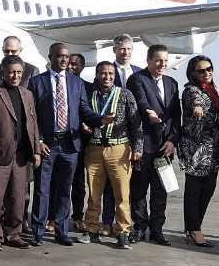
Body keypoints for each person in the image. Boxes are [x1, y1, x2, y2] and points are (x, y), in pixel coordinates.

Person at [28, 43, 106, 246]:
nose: (64, 60)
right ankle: (38, 230)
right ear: (50, 56)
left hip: (70, 144)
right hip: (47, 144)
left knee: (65, 189)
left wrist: (100, 119)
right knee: (42, 189)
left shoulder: (76, 82)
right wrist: (39, 141)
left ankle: (61, 231)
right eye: (60, 56)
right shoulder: (37, 82)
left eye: (66, 57)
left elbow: (84, 110)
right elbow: (31, 116)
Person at [0, 56, 42, 250]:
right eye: (11, 72)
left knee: (17, 198)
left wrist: (37, 150)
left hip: (22, 155)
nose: (15, 76)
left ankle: (13, 233)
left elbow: (33, 124)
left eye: (18, 72)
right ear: (3, 73)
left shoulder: (27, 94)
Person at [82, 61, 142, 249]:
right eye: (103, 73)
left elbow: (135, 123)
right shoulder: (88, 94)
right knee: (93, 193)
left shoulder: (124, 94)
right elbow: (81, 116)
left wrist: (138, 148)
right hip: (95, 148)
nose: (107, 77)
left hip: (119, 149)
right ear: (97, 74)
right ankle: (91, 229)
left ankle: (122, 230)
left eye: (110, 74)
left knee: (122, 193)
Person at [127, 44, 181, 245]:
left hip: (164, 147)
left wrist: (172, 141)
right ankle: (140, 227)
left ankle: (157, 230)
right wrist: (148, 111)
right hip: (144, 145)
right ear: (149, 60)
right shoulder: (137, 79)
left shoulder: (172, 83)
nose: (162, 64)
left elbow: (177, 116)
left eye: (165, 61)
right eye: (158, 60)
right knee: (139, 190)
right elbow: (140, 101)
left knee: (161, 190)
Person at [177, 56, 219, 248]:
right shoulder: (191, 90)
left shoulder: (212, 90)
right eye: (201, 71)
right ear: (192, 74)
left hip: (212, 148)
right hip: (196, 149)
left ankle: (194, 226)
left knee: (208, 189)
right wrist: (197, 107)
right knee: (194, 191)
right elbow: (195, 102)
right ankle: (194, 229)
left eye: (209, 69)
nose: (206, 73)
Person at [67, 53, 95, 234]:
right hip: (62, 140)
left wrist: (88, 124)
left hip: (82, 142)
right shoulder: (58, 83)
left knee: (78, 183)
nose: (70, 67)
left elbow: (91, 111)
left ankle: (77, 216)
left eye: (74, 65)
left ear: (82, 67)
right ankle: (53, 217)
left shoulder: (89, 87)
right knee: (58, 183)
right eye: (68, 64)